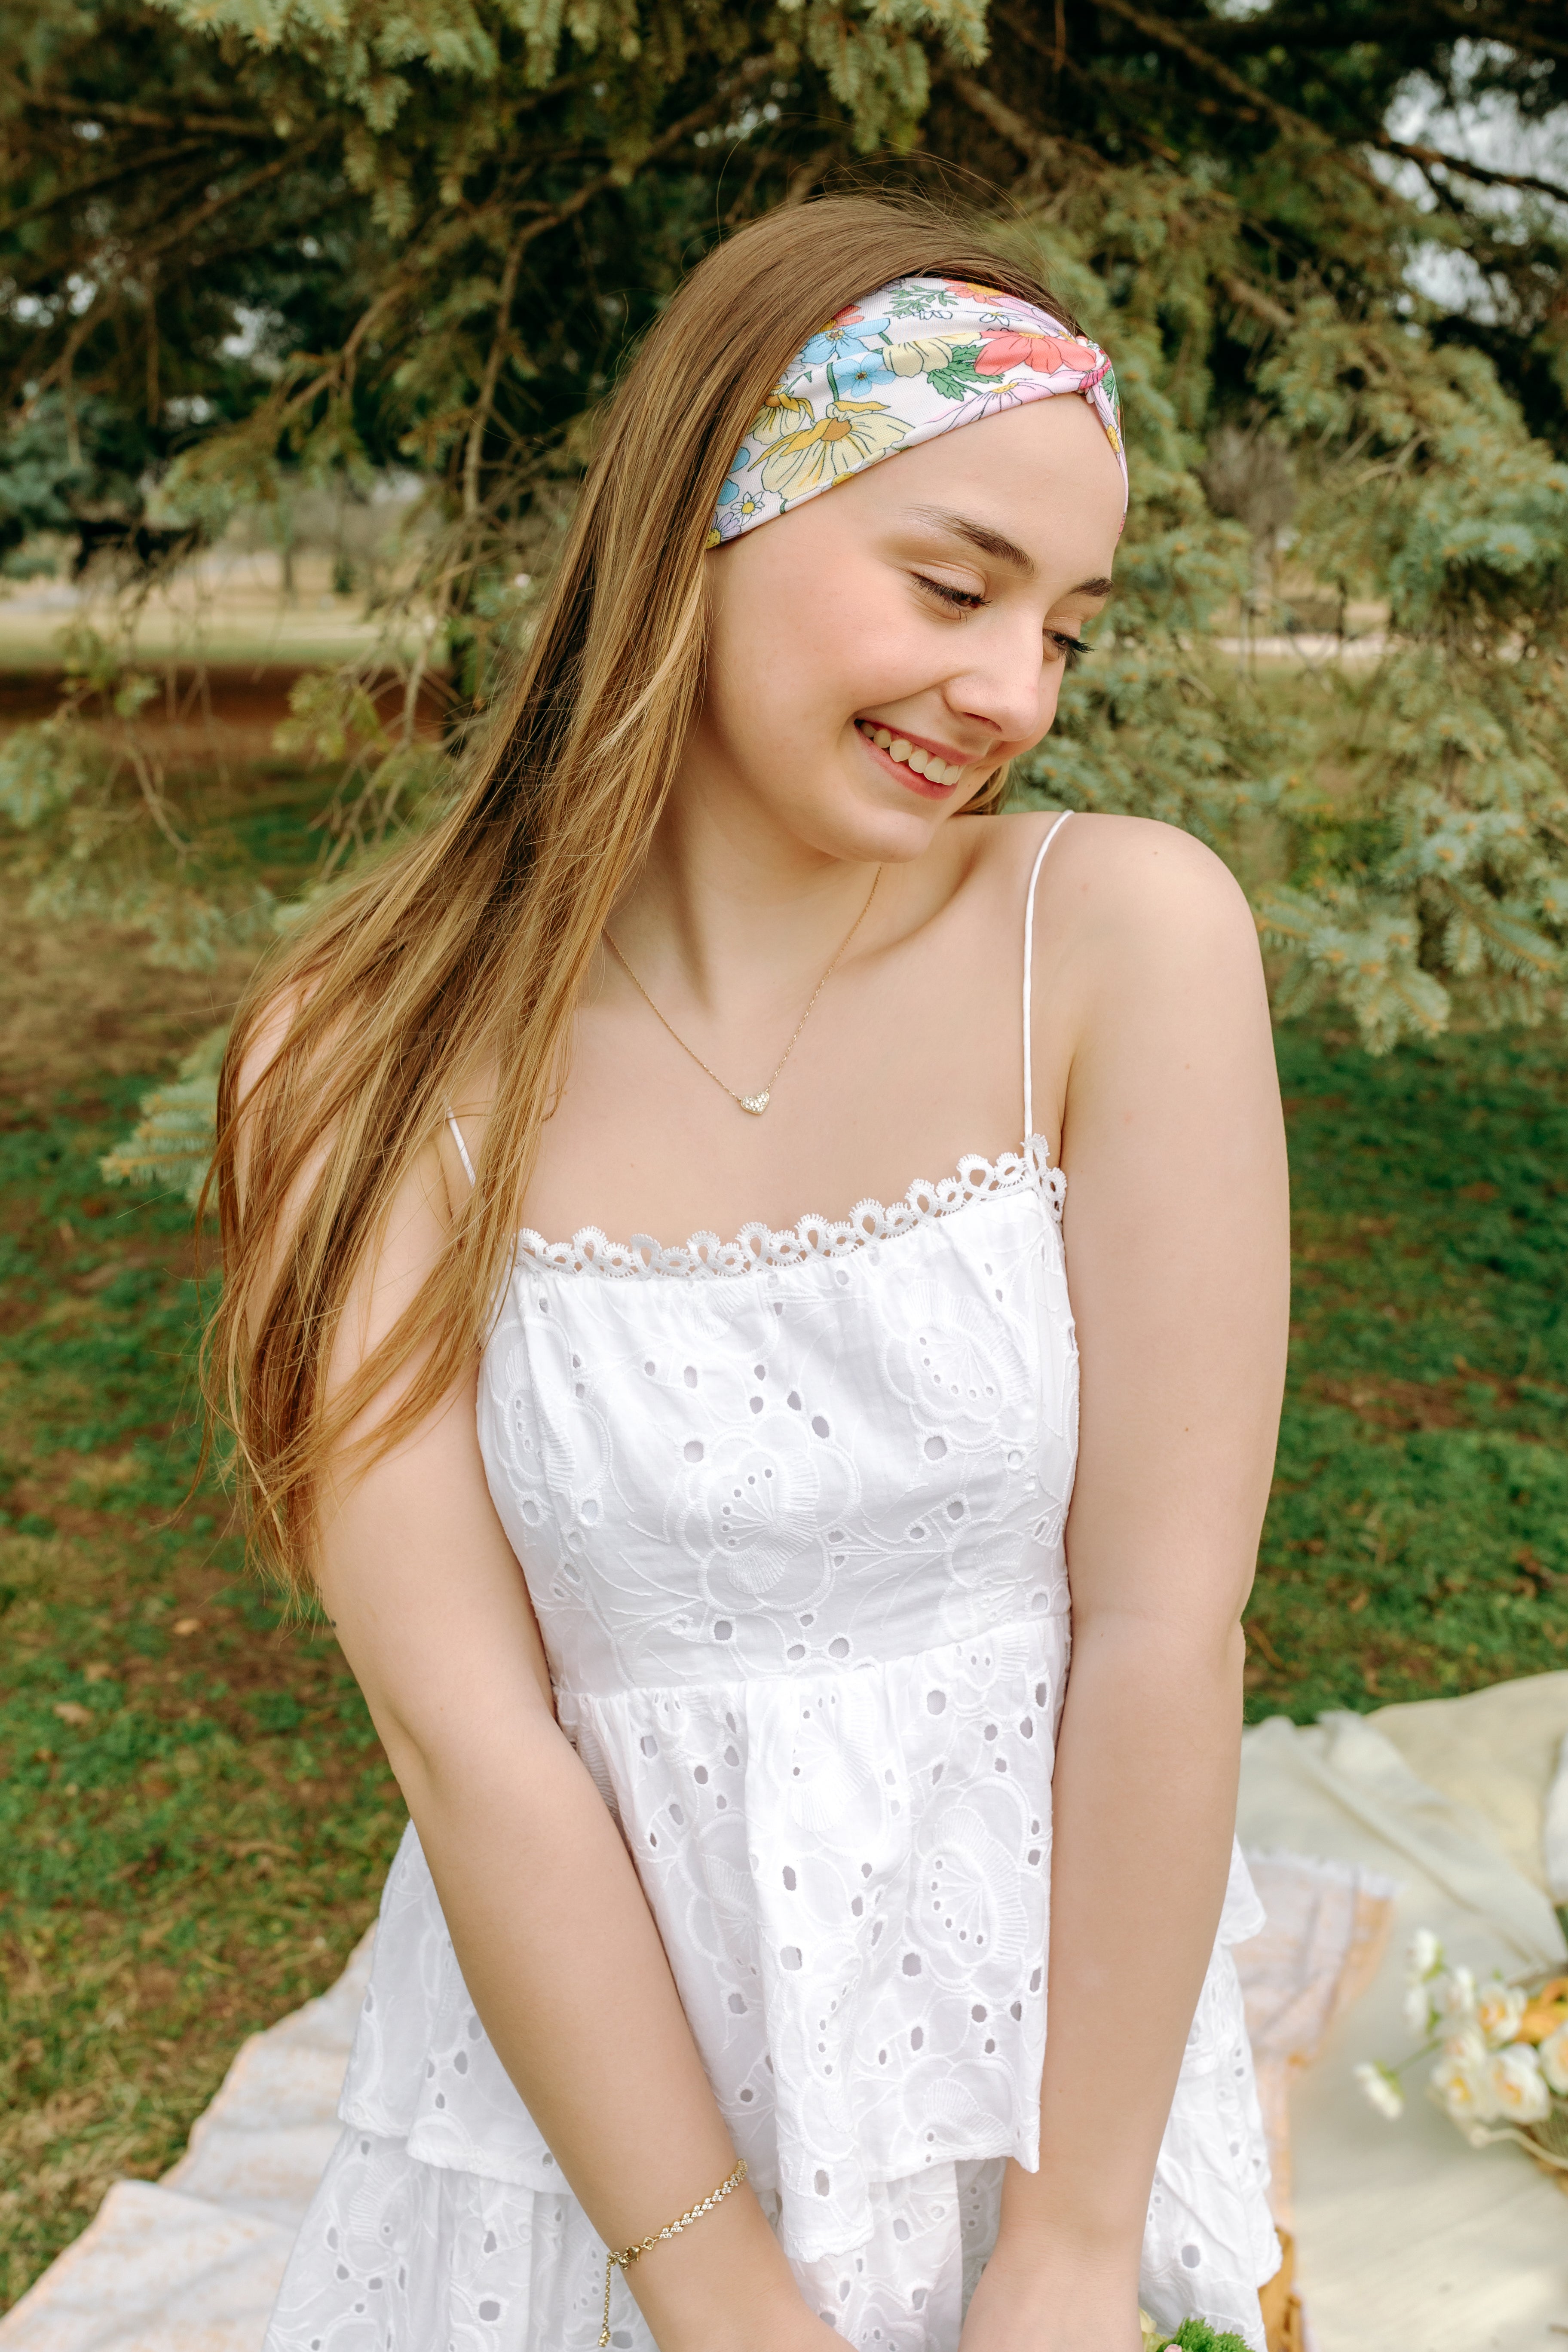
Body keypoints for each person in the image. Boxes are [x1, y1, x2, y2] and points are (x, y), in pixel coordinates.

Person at [217, 193, 1289, 2352]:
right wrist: (720, 2293)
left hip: (1039, 2093)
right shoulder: (355, 1060)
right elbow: (467, 1740)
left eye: (1068, 628)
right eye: (952, 585)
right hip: (599, 2149)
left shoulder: (1118, 943)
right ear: (706, 514)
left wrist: (1073, 2254)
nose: (1013, 693)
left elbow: (1165, 1629)